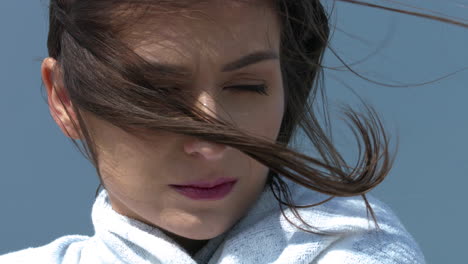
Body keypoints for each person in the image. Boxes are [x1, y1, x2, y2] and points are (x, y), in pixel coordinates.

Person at [0, 0, 441, 263]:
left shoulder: (355, 246)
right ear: (63, 98)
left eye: (248, 86)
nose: (210, 141)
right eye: (154, 92)